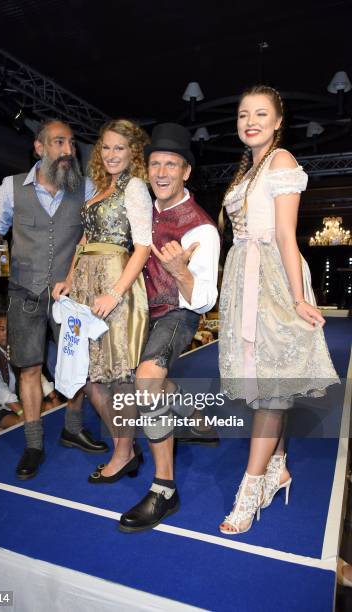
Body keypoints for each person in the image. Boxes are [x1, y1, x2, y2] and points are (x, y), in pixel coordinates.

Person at [217, 85, 339, 534]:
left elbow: (287, 235)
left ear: (278, 121)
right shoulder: (245, 170)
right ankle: (279, 466)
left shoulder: (282, 161)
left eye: (261, 113)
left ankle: (248, 492)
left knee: (271, 391)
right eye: (243, 113)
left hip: (272, 278)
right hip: (244, 279)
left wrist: (298, 297)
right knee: (267, 383)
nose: (251, 121)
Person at [0, 119, 107, 480]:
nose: (68, 151)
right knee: (30, 367)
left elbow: (95, 235)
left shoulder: (85, 188)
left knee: (76, 364)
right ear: (40, 148)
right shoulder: (10, 188)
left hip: (70, 294)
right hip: (24, 291)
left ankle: (72, 427)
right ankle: (34, 443)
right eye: (59, 143)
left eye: (70, 144)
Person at [119, 123, 220, 532]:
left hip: (178, 311)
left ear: (185, 172)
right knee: (142, 385)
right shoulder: (141, 208)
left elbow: (205, 300)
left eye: (171, 165)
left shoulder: (201, 227)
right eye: (155, 164)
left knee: (145, 384)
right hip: (140, 310)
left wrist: (180, 272)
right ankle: (196, 416)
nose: (161, 172)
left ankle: (164, 489)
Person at [53, 118, 152, 482]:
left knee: (118, 374)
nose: (111, 154)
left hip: (115, 278)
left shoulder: (136, 187)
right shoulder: (98, 186)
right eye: (106, 147)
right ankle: (124, 445)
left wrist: (115, 291)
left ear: (133, 153)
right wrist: (68, 277)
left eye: (119, 148)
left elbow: (142, 248)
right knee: (91, 375)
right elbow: (83, 239)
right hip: (83, 284)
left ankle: (123, 452)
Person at [0, 312, 61, 428]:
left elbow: (34, 373)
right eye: (2, 329)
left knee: (54, 408)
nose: (7, 334)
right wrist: (21, 411)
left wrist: (53, 396)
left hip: (20, 401)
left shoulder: (16, 348)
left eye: (11, 330)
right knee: (25, 423)